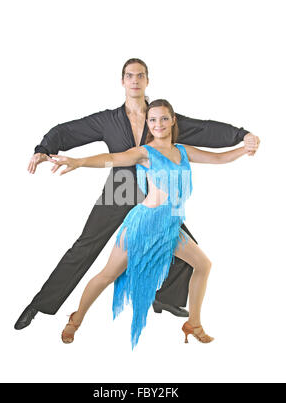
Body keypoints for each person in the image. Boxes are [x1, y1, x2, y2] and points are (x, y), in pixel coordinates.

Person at [14, 58, 260, 331]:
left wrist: (241, 135)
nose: (134, 80)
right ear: (122, 81)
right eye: (129, 76)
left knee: (187, 250)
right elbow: (69, 130)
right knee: (85, 247)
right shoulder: (108, 120)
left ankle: (164, 298)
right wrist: (44, 147)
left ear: (147, 80)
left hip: (153, 197)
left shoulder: (160, 118)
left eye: (140, 75)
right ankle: (40, 304)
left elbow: (204, 129)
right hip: (119, 191)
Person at [49, 99, 255, 349]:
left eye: (164, 118)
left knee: (203, 264)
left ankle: (194, 323)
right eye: (153, 119)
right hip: (143, 226)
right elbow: (112, 158)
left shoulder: (183, 151)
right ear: (148, 124)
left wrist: (246, 148)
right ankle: (76, 319)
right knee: (107, 275)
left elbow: (220, 159)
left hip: (169, 227)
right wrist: (79, 162)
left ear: (173, 120)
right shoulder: (145, 152)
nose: (159, 124)